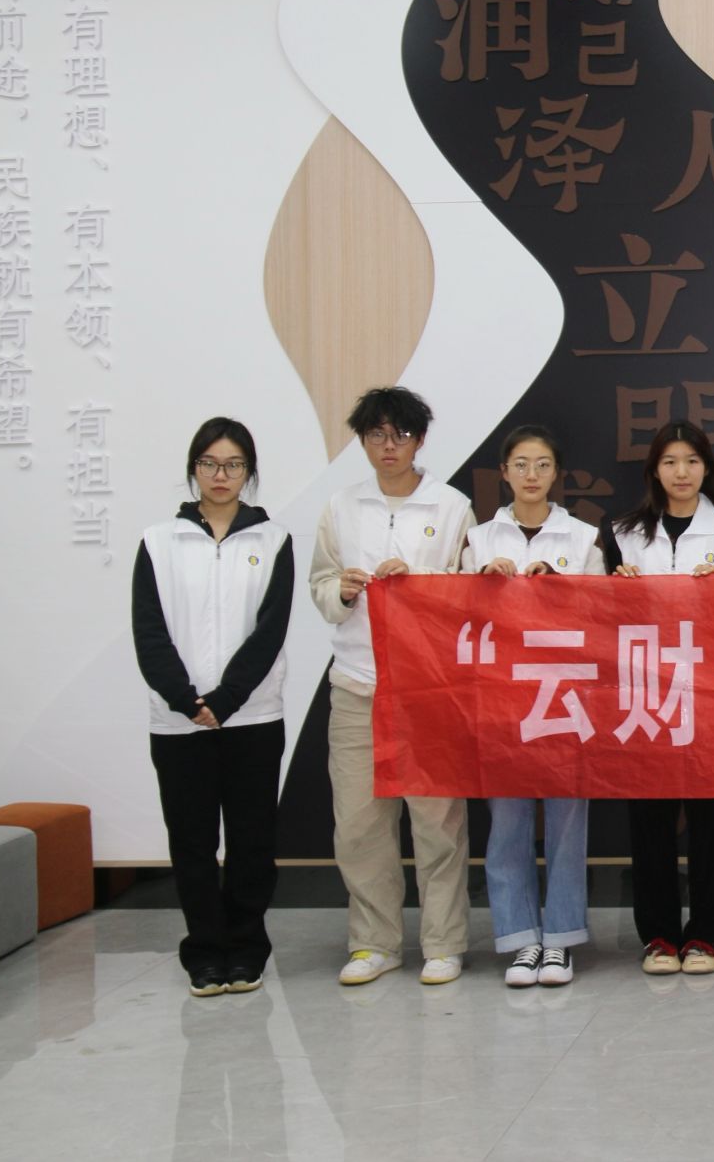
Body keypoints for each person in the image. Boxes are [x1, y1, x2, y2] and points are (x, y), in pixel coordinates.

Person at [310, 387, 477, 986]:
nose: (389, 446)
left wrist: (418, 580)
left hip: (430, 688)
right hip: (358, 684)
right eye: (377, 434)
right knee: (359, 824)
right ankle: (373, 943)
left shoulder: (452, 506)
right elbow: (321, 584)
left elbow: (470, 594)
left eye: (400, 434)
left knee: (438, 823)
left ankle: (443, 943)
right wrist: (342, 591)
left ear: (420, 440)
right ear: (362, 441)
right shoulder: (341, 506)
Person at [132, 418, 293, 996]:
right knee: (193, 842)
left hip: (252, 716)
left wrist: (226, 700)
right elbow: (149, 631)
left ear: (249, 472)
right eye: (209, 463)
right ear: (193, 468)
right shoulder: (159, 541)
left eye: (233, 465)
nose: (220, 475)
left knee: (252, 840)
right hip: (178, 722)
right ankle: (204, 953)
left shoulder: (273, 540)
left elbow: (270, 631)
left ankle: (246, 948)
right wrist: (186, 700)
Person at [461, 425, 605, 987]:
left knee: (568, 821)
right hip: (502, 700)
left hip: (565, 696)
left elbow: (604, 617)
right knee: (508, 821)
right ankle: (520, 937)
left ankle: (561, 939)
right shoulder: (479, 539)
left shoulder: (583, 538)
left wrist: (562, 585)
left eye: (542, 465)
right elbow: (454, 619)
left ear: (556, 473)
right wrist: (482, 584)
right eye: (520, 464)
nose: (531, 475)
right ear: (504, 472)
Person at [612, 420, 714, 975]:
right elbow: (594, 618)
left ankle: (706, 935)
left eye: (691, 461)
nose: (681, 472)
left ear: (707, 468)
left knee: (710, 820)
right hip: (644, 693)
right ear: (654, 470)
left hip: (709, 694)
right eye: (669, 461)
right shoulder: (623, 533)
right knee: (650, 819)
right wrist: (617, 591)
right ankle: (659, 936)